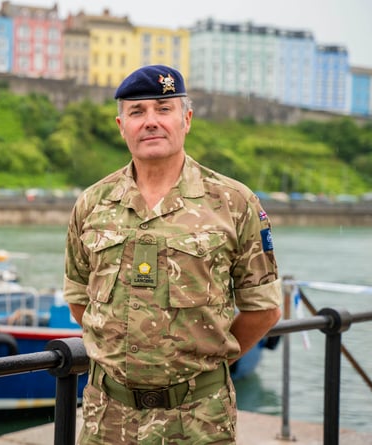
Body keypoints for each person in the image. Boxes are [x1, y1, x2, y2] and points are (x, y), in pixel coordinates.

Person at [63, 65, 282, 444]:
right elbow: (80, 300)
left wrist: (205, 363)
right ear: (121, 125)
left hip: (199, 420)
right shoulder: (92, 204)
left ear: (187, 119)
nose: (151, 121)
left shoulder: (233, 203)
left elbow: (263, 308)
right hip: (106, 418)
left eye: (164, 109)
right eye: (137, 112)